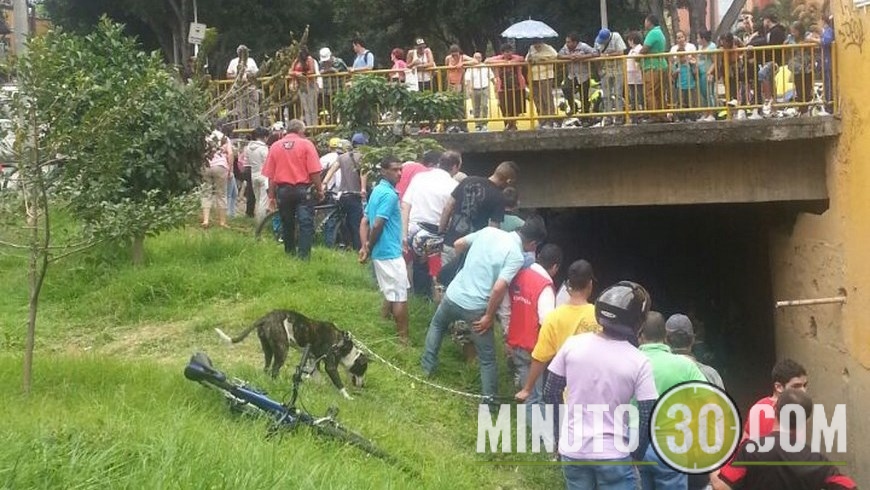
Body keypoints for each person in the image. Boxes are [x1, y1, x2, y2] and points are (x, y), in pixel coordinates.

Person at [544, 281, 658, 489]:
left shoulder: (573, 344)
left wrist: (560, 435)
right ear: (638, 321)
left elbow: (550, 391)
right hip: (613, 454)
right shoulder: (639, 361)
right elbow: (647, 414)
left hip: (573, 449)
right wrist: (636, 454)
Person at [421, 217, 547, 400]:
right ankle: (491, 402)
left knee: (438, 326)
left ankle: (426, 369)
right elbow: (498, 288)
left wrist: (466, 268)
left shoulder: (489, 231)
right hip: (477, 308)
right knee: (487, 360)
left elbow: (458, 243)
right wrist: (489, 315)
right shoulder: (516, 255)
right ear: (533, 243)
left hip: (454, 294)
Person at [712, 389, 857, 490]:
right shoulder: (815, 459)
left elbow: (721, 486)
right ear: (805, 421)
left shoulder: (751, 449)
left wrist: (710, 461)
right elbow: (848, 486)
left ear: (774, 408)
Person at [638, 311, 707, 490]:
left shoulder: (628, 362)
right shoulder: (684, 366)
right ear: (665, 337)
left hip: (634, 444)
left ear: (640, 335)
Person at [515, 259, 599, 402]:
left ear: (568, 286)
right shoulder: (598, 316)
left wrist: (527, 389)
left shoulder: (553, 317)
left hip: (562, 381)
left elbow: (540, 357)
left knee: (561, 421)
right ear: (590, 284)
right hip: (592, 381)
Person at [503, 244, 561, 419]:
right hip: (534, 348)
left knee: (526, 388)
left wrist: (507, 334)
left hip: (515, 341)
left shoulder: (519, 275)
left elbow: (507, 305)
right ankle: (539, 439)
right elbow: (547, 322)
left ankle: (531, 434)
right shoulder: (545, 286)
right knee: (535, 395)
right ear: (555, 266)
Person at [359, 156, 410, 345]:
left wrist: (364, 247)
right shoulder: (389, 195)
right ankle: (403, 339)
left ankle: (382, 320)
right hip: (389, 252)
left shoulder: (377, 190)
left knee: (393, 289)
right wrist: (369, 247)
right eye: (395, 170)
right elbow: (378, 224)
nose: (399, 173)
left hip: (383, 252)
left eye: (401, 169)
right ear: (383, 171)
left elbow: (365, 221)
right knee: (400, 296)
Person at [262, 119, 323, 259]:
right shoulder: (306, 144)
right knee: (305, 223)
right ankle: (303, 257)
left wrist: (271, 197)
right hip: (303, 191)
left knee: (287, 223)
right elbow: (314, 171)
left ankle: (289, 253)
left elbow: (271, 176)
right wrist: (320, 190)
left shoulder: (275, 146)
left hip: (283, 191)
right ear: (301, 131)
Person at [439, 161, 518, 270]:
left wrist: (441, 232)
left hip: (449, 243)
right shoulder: (498, 197)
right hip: (471, 250)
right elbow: (493, 229)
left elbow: (448, 207)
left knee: (443, 281)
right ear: (508, 181)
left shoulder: (467, 180)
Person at [401, 151, 459, 297]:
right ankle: (436, 303)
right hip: (438, 234)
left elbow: (405, 205)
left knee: (418, 268)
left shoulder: (419, 178)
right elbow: (451, 215)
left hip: (415, 231)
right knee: (437, 272)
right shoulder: (454, 185)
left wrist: (404, 233)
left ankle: (420, 298)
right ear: (455, 167)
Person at [322, 133, 367, 251]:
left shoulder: (342, 157)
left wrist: (324, 183)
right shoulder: (363, 157)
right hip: (354, 195)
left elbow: (332, 170)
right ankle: (358, 248)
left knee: (344, 222)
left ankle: (346, 244)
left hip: (341, 195)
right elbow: (363, 172)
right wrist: (363, 188)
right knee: (356, 224)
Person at [558, 32, 599, 121]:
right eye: (567, 42)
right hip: (572, 75)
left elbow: (595, 53)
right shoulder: (565, 47)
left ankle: (585, 117)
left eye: (569, 42)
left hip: (584, 75)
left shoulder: (583, 46)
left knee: (584, 96)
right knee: (565, 88)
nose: (567, 44)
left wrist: (583, 57)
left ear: (575, 42)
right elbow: (559, 55)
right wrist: (569, 57)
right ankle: (573, 107)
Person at [486, 44, 526, 131]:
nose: (509, 53)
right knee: (504, 106)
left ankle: (513, 124)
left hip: (516, 85)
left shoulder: (516, 57)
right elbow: (487, 61)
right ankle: (507, 123)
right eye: (506, 52)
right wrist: (504, 62)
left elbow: (521, 59)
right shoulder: (499, 58)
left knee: (515, 106)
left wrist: (508, 62)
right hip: (502, 86)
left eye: (510, 51)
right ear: (502, 53)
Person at [594, 28, 628, 125]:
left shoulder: (616, 37)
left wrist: (607, 55)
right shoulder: (597, 41)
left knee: (618, 94)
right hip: (605, 70)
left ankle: (619, 116)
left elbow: (621, 52)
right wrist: (599, 70)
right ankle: (608, 117)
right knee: (606, 95)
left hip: (618, 69)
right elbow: (597, 55)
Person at [201, 129, 234, 228]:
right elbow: (230, 154)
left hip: (206, 166)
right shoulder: (224, 138)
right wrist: (230, 169)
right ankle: (222, 222)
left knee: (206, 193)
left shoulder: (204, 138)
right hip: (220, 167)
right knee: (221, 194)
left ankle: (206, 220)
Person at [640, 14, 670, 123]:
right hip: (661, 65)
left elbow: (645, 49)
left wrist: (638, 55)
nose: (645, 23)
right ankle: (662, 114)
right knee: (660, 92)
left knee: (650, 91)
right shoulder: (660, 32)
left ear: (650, 22)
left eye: (645, 21)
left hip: (652, 66)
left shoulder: (652, 33)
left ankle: (653, 115)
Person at [526, 38, 559, 129]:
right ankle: (541, 120)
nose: (536, 46)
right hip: (534, 77)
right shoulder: (531, 49)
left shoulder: (548, 48)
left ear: (541, 42)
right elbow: (527, 60)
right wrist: (530, 59)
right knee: (537, 100)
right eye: (535, 44)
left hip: (545, 76)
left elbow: (556, 56)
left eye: (538, 44)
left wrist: (540, 59)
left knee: (547, 98)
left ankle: (550, 120)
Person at [226, 44, 261, 130]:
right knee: (241, 111)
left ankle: (255, 130)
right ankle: (242, 132)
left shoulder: (251, 61)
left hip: (251, 88)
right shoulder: (234, 62)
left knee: (254, 111)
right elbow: (228, 74)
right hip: (240, 89)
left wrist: (249, 75)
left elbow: (257, 73)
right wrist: (238, 76)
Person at [243, 126, 271, 222]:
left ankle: (257, 220)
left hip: (254, 174)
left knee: (258, 199)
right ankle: (262, 222)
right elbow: (268, 161)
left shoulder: (249, 148)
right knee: (264, 200)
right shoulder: (263, 148)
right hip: (264, 175)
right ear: (264, 137)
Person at [669, 30, 698, 121]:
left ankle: (692, 116)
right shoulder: (676, 61)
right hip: (680, 85)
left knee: (691, 100)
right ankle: (681, 117)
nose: (680, 39)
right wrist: (674, 73)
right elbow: (671, 65)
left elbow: (695, 66)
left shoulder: (691, 47)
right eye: (678, 37)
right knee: (680, 101)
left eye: (682, 37)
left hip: (690, 84)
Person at [290, 46, 321, 128]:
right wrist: (296, 73)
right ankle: (309, 126)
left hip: (310, 85)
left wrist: (303, 74)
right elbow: (290, 71)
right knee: (306, 108)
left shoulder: (309, 59)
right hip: (302, 86)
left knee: (312, 108)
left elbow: (312, 71)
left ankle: (314, 126)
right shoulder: (297, 60)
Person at [464, 52, 494, 132]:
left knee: (484, 106)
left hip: (484, 88)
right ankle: (477, 124)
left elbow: (491, 77)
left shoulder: (485, 66)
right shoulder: (470, 68)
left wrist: (495, 86)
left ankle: (484, 124)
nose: (477, 59)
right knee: (475, 107)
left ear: (481, 58)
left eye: (479, 57)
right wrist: (469, 89)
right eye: (475, 57)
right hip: (474, 89)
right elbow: (468, 80)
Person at [318, 47, 348, 125]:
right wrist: (329, 70)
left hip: (338, 91)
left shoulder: (339, 62)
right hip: (327, 91)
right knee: (330, 111)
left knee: (341, 110)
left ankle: (343, 126)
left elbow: (346, 72)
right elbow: (319, 72)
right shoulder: (321, 64)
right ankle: (333, 126)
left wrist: (334, 71)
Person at [626, 31, 646, 115]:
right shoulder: (631, 50)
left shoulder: (639, 49)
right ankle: (634, 111)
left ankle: (642, 111)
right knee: (632, 95)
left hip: (638, 76)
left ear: (632, 40)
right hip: (630, 76)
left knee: (640, 94)